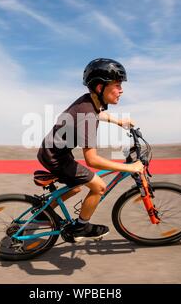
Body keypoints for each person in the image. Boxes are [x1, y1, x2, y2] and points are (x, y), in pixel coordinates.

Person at [37, 58, 144, 243]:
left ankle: (42, 215)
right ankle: (81, 227)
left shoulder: (89, 101)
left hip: (53, 152)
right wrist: (130, 168)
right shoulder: (86, 116)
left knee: (77, 186)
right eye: (117, 85)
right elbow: (92, 160)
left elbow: (99, 112)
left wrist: (119, 121)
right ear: (100, 87)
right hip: (55, 157)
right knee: (99, 186)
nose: (122, 90)